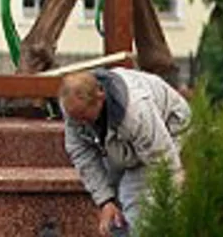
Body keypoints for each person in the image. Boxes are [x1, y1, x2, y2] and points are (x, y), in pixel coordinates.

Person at [59, 68, 191, 235]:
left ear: (100, 98)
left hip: (168, 126)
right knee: (116, 207)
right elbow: (82, 155)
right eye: (74, 118)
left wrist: (164, 212)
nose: (80, 123)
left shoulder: (136, 112)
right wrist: (106, 201)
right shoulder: (73, 108)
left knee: (133, 197)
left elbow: (164, 165)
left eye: (83, 116)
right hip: (119, 143)